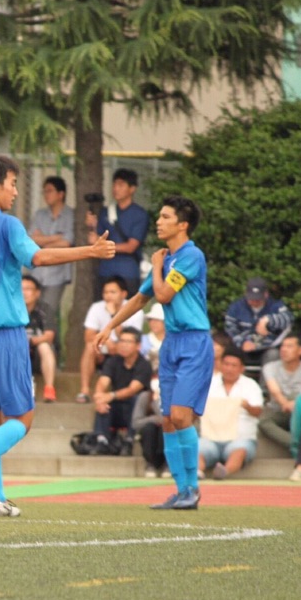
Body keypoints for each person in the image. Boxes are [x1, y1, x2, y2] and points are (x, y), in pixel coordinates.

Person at [0, 154, 114, 518]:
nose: (16, 192)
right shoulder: (7, 224)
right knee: (22, 419)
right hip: (4, 334)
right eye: (13, 184)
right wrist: (91, 250)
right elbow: (38, 258)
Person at [95, 195, 213, 510]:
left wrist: (157, 266)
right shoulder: (167, 258)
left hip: (194, 343)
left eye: (165, 217)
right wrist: (110, 326)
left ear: (183, 225)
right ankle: (181, 491)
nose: (158, 222)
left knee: (181, 416)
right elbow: (139, 299)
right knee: (168, 420)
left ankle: (193, 489)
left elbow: (163, 294)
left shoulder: (190, 256)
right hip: (172, 343)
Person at [198, 347, 264, 479]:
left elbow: (258, 411)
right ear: (220, 364)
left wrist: (247, 406)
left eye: (234, 365)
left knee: (239, 450)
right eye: (226, 364)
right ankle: (197, 471)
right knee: (197, 448)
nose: (229, 369)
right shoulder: (208, 383)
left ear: (242, 368)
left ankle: (224, 472)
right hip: (210, 437)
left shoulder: (250, 385)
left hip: (240, 438)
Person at [78, 276, 144, 402]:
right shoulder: (97, 307)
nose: (108, 296)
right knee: (89, 346)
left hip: (124, 347)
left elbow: (132, 338)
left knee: (126, 345)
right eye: (105, 292)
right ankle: (84, 390)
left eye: (112, 292)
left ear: (123, 294)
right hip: (103, 347)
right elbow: (88, 335)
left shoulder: (135, 310)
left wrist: (113, 315)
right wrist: (106, 341)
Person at [86, 168, 149, 298]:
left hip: (128, 273)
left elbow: (131, 246)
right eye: (114, 184)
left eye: (121, 185)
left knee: (127, 308)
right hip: (105, 271)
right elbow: (96, 239)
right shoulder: (105, 212)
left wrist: (105, 245)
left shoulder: (139, 214)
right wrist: (91, 226)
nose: (115, 188)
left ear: (132, 189)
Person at [90, 327, 151, 455]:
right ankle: (102, 440)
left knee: (136, 399)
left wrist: (110, 395)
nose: (123, 345)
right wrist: (99, 397)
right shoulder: (113, 361)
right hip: (116, 407)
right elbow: (103, 381)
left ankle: (129, 440)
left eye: (128, 342)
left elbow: (132, 389)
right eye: (121, 341)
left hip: (136, 411)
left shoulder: (144, 365)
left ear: (138, 346)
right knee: (104, 402)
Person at [29, 175, 75, 316]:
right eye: (44, 191)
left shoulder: (71, 215)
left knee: (48, 313)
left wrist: (43, 241)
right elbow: (32, 240)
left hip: (57, 274)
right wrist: (57, 237)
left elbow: (67, 242)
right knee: (31, 311)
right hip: (37, 272)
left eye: (49, 191)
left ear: (61, 194)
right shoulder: (40, 214)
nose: (46, 194)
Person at [224, 276, 294, 368]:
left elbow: (288, 319)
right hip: (243, 348)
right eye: (251, 298)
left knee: (273, 355)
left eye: (258, 299)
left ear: (266, 294)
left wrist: (267, 320)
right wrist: (242, 342)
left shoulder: (276, 306)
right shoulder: (236, 307)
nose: (254, 301)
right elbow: (230, 329)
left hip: (267, 348)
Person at [258, 334, 301, 451]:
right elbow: (275, 391)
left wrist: (296, 403)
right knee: (263, 422)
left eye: (289, 346)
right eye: (283, 346)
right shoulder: (270, 367)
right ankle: (297, 444)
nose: (284, 350)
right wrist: (286, 404)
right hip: (279, 410)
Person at [22, 275, 58, 402]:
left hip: (38, 356)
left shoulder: (45, 309)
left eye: (28, 289)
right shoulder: (11, 309)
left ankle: (49, 388)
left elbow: (49, 336)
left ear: (37, 293)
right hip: (18, 353)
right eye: (20, 289)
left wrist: (30, 342)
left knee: (44, 346)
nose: (24, 292)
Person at [141, 303, 166, 370]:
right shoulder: (142, 340)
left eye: (157, 320)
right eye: (151, 320)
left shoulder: (173, 341)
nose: (153, 323)